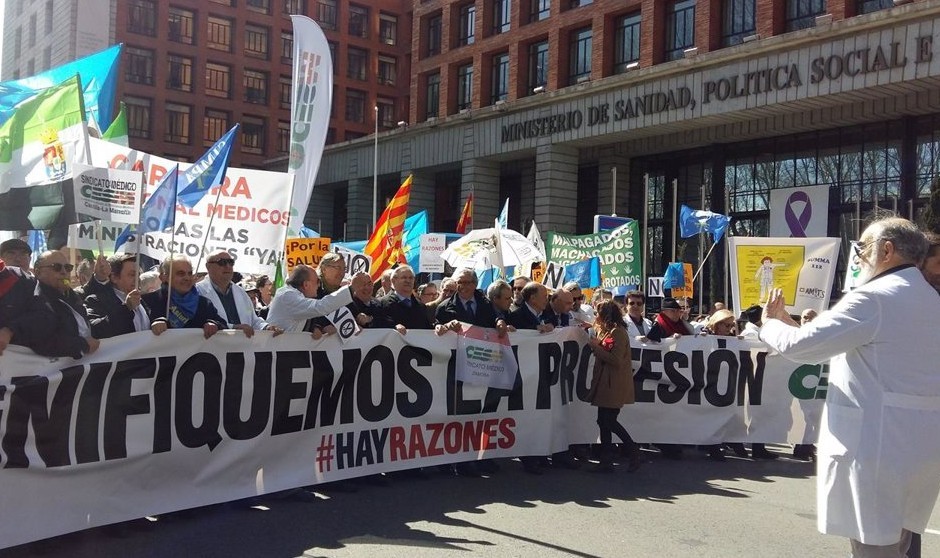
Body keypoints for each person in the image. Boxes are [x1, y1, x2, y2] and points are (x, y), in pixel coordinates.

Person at [759, 217, 940, 557]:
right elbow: (871, 357)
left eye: (862, 249)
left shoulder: (874, 297)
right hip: (921, 445)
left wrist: (769, 324)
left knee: (875, 545)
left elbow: (801, 347)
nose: (858, 258)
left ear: (886, 250)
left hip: (878, 447)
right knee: (903, 540)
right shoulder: (930, 299)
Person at [586, 300, 641, 473]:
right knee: (603, 421)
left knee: (608, 421)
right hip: (606, 382)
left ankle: (633, 451)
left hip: (613, 383)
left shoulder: (618, 332)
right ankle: (606, 460)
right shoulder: (608, 330)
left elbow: (616, 360)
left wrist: (596, 348)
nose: (596, 316)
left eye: (598, 313)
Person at [13, 250, 100, 358]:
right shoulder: (35, 300)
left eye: (68, 267)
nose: (64, 272)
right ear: (38, 272)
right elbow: (42, 340)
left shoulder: (71, 295)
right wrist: (82, 345)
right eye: (56, 267)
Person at [266, 264, 372, 333]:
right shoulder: (288, 296)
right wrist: (351, 287)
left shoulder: (292, 295)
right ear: (306, 285)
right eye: (317, 282)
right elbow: (321, 307)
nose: (319, 286)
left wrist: (316, 327)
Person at [196, 251, 282, 337]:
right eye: (222, 262)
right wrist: (234, 327)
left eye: (231, 262)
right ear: (208, 267)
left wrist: (266, 327)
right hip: (213, 347)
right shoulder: (197, 291)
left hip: (242, 347)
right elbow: (199, 322)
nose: (228, 266)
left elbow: (253, 320)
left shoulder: (241, 292)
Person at [142, 255, 226, 338]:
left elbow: (223, 326)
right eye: (181, 274)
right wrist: (154, 324)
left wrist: (214, 324)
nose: (187, 278)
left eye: (189, 273)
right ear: (164, 277)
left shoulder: (204, 304)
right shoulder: (148, 301)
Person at [84, 253, 151, 338]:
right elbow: (97, 330)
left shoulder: (141, 300)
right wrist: (126, 308)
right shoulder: (96, 301)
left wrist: (158, 321)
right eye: (132, 274)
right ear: (114, 277)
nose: (137, 279)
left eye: (138, 274)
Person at [374, 265, 432, 334]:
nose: (408, 281)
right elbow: (377, 325)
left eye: (411, 278)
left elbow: (428, 328)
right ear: (393, 281)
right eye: (404, 278)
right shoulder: (381, 304)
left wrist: (438, 326)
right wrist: (393, 327)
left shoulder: (421, 306)